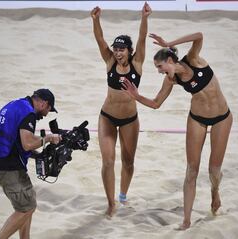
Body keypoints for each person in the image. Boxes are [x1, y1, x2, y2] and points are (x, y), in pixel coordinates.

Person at [122, 32, 233, 230]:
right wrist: (136, 96)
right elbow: (156, 103)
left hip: (222, 119)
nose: (159, 71)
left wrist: (168, 42)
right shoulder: (171, 80)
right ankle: (186, 220)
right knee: (191, 170)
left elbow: (199, 36)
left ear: (171, 60)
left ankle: (215, 192)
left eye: (160, 66)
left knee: (214, 170)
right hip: (197, 119)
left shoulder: (193, 60)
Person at [90, 2, 152, 217]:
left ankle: (122, 195)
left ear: (129, 50)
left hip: (129, 120)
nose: (117, 53)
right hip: (107, 117)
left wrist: (144, 17)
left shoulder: (138, 62)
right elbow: (100, 40)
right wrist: (95, 20)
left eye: (121, 49)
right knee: (108, 161)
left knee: (128, 161)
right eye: (115, 49)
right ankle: (110, 203)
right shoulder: (109, 61)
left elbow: (142, 37)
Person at [0, 89, 62, 239]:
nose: (46, 114)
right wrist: (48, 138)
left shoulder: (16, 104)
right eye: (48, 109)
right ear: (43, 103)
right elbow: (27, 143)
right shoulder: (29, 113)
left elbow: (16, 139)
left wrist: (37, 155)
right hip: (6, 165)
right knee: (26, 208)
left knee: (28, 202)